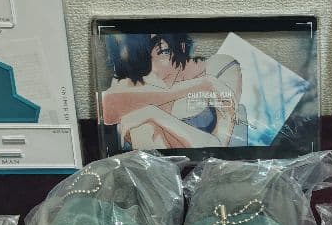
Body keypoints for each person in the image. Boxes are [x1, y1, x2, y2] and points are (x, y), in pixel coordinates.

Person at [101, 33, 243, 151]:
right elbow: (107, 110)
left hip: (211, 168)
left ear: (181, 46)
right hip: (160, 169)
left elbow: (219, 148)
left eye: (163, 52)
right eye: (144, 58)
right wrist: (202, 84)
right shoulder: (135, 79)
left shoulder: (220, 68)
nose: (155, 70)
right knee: (142, 128)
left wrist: (154, 114)